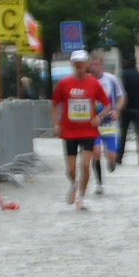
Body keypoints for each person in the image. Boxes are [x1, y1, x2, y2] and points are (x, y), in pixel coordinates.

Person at [51, 49, 110, 210]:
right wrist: (56, 123)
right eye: (76, 64)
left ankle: (81, 197)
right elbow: (54, 104)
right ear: (72, 65)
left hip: (88, 130)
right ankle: (74, 183)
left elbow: (106, 105)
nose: (79, 67)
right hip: (69, 131)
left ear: (86, 65)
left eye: (81, 64)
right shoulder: (64, 83)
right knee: (71, 169)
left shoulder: (93, 83)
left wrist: (100, 116)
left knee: (85, 165)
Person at [88, 53, 126, 191]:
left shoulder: (111, 79)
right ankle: (99, 183)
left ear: (102, 65)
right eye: (91, 65)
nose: (93, 67)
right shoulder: (87, 80)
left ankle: (112, 162)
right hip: (93, 123)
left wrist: (117, 110)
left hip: (109, 122)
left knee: (111, 155)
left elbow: (121, 97)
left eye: (96, 64)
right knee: (96, 152)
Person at [119, 54, 139, 166]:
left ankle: (119, 157)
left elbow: (121, 91)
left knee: (123, 133)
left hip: (126, 107)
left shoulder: (123, 74)